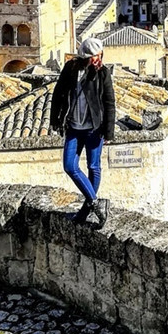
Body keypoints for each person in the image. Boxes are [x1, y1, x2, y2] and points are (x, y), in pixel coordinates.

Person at [51, 37, 115, 226]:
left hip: (94, 129)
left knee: (93, 167)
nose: (98, 60)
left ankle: (86, 211)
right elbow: (58, 93)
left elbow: (109, 102)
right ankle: (95, 203)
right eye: (95, 57)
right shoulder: (70, 69)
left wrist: (109, 132)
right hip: (73, 127)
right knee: (70, 166)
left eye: (99, 56)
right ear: (86, 57)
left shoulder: (102, 73)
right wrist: (55, 119)